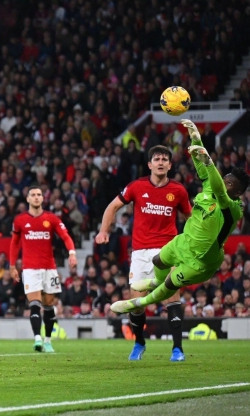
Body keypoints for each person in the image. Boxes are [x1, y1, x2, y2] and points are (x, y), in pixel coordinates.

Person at [113, 120, 250, 318]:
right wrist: (196, 141)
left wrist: (209, 161)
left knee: (170, 284)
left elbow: (218, 186)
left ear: (237, 191)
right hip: (184, 242)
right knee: (158, 261)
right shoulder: (213, 186)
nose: (222, 182)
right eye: (224, 179)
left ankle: (137, 303)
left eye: (229, 183)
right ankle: (153, 283)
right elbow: (204, 172)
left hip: (202, 261)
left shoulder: (233, 208)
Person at [96, 145, 191, 362]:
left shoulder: (178, 191)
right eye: (156, 159)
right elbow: (112, 207)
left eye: (164, 159)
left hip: (169, 251)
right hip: (140, 253)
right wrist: (103, 231)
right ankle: (139, 343)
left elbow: (190, 219)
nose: (160, 162)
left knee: (172, 298)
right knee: (137, 303)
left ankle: (177, 349)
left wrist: (191, 245)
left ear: (170, 165)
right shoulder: (137, 186)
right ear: (149, 164)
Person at [9, 186, 78, 353]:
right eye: (32, 195)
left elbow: (65, 236)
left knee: (48, 305)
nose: (36, 197)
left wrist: (72, 253)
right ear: (28, 199)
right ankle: (37, 339)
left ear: (42, 198)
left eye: (39, 194)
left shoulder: (51, 218)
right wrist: (12, 265)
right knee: (34, 304)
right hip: (30, 269)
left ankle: (47, 340)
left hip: (50, 269)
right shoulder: (20, 220)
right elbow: (14, 243)